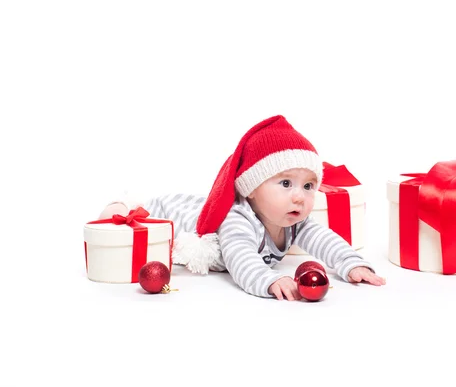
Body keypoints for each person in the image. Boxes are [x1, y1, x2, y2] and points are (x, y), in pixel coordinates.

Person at [99, 115, 386, 300]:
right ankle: (121, 206)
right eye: (286, 184)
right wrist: (269, 280)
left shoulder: (294, 221)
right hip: (171, 211)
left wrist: (352, 263)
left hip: (194, 209)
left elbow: (326, 241)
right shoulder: (238, 220)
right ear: (251, 189)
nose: (300, 197)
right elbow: (240, 259)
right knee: (131, 215)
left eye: (308, 186)